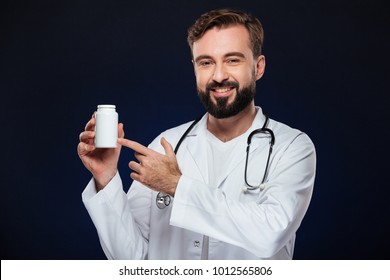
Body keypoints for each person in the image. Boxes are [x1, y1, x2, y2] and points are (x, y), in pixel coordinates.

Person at [78, 8, 316, 260]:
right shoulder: (165, 146)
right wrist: (106, 179)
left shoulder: (291, 147)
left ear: (258, 67)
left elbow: (271, 235)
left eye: (232, 60)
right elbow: (133, 259)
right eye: (206, 62)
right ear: (194, 68)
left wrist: (176, 186)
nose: (219, 75)